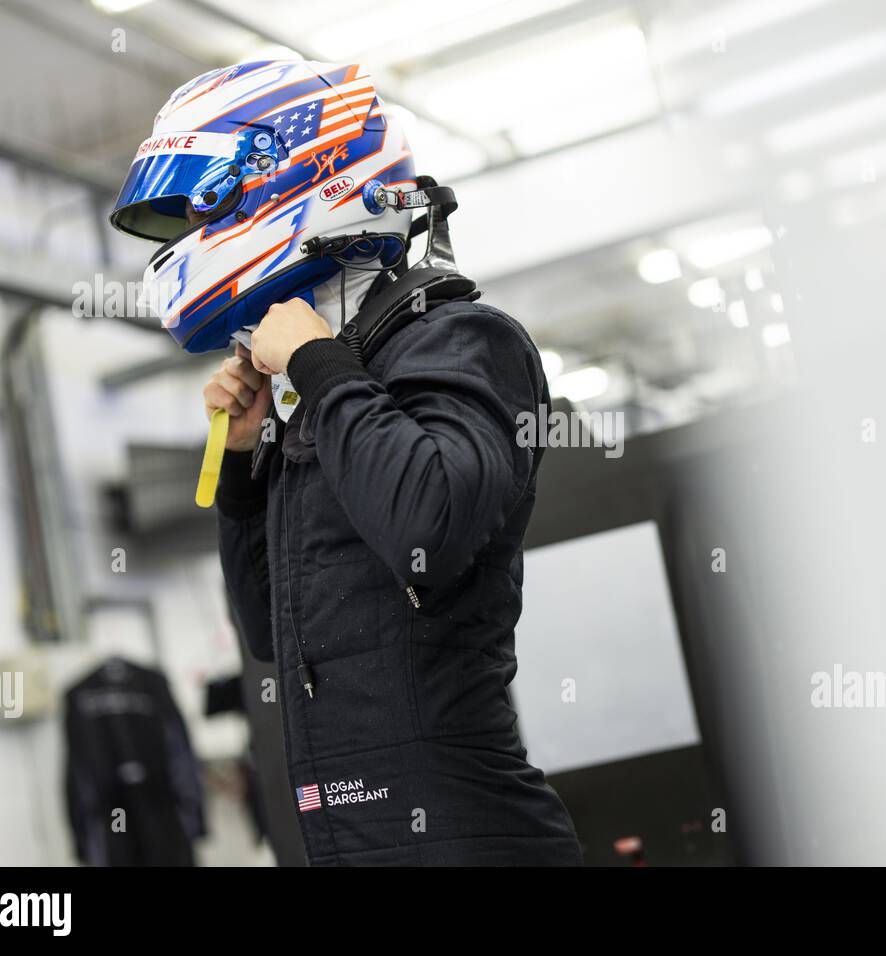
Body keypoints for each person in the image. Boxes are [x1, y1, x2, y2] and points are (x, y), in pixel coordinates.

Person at [110, 59, 581, 865]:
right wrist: (244, 461)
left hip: (466, 837)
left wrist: (319, 368)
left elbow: (427, 526)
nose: (190, 232)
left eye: (202, 206)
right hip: (348, 838)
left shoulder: (463, 337)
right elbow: (267, 629)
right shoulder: (329, 392)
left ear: (285, 173)